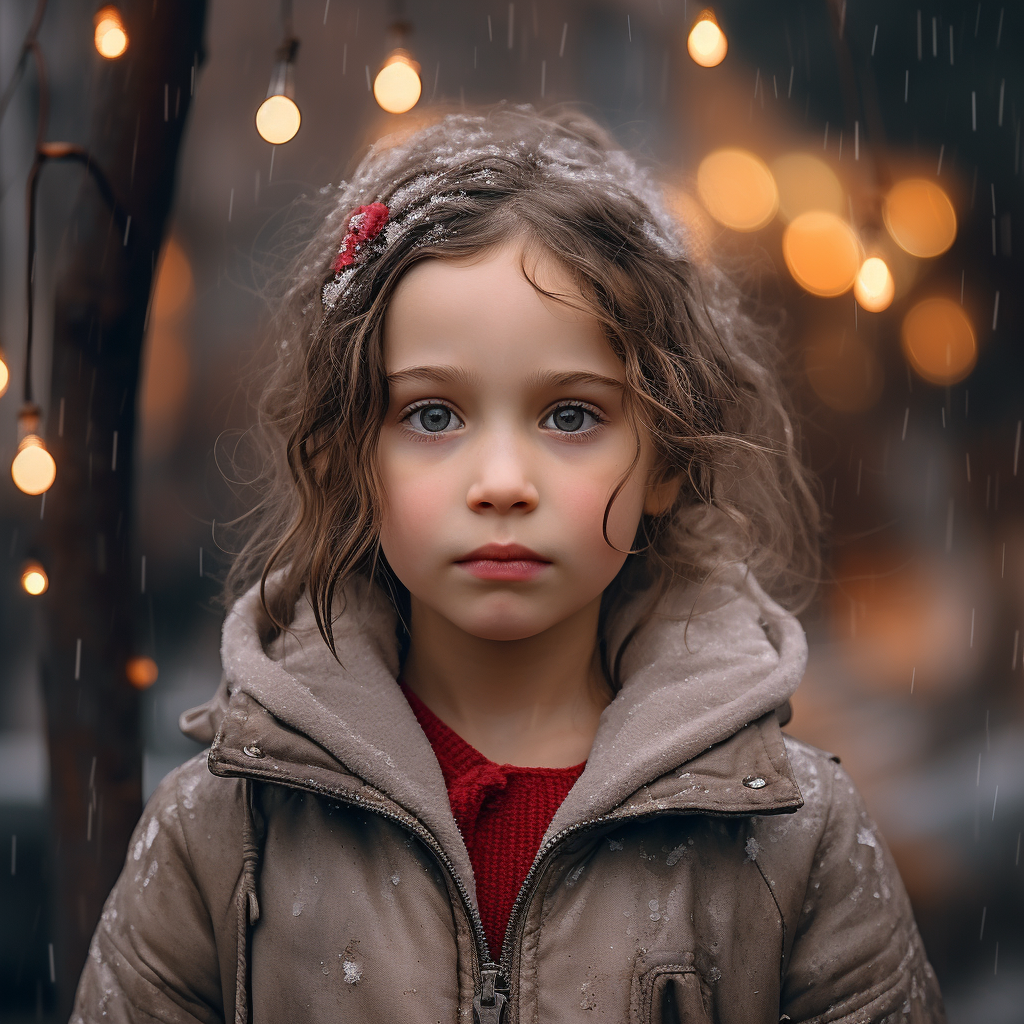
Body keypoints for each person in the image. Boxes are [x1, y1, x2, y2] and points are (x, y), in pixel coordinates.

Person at [72, 106, 945, 1023]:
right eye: (433, 415)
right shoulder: (224, 832)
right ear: (346, 455)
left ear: (668, 459)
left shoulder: (792, 839)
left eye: (570, 415)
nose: (499, 483)